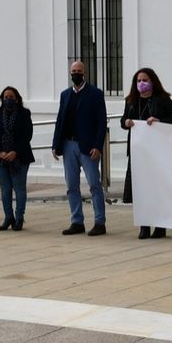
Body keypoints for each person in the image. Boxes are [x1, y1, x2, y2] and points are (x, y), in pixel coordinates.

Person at [122, 67, 172, 239]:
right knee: (141, 190)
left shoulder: (162, 99)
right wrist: (126, 122)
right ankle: (144, 225)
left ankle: (161, 226)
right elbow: (123, 120)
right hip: (137, 152)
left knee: (157, 190)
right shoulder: (131, 100)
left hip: (157, 152)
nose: (141, 83)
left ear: (152, 82)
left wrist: (159, 121)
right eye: (138, 80)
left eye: (145, 80)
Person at [52, 60, 109, 236]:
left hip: (88, 147)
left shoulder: (95, 94)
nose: (75, 74)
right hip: (68, 145)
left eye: (78, 71)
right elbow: (60, 120)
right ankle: (77, 221)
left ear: (84, 73)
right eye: (73, 71)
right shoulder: (65, 95)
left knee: (94, 185)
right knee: (71, 186)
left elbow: (101, 122)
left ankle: (100, 222)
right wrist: (56, 144)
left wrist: (98, 146)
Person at [0, 86, 35, 231]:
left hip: (19, 157)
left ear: (17, 99)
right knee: (5, 188)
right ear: (2, 99)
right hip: (1, 157)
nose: (8, 100)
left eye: (11, 97)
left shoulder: (24, 113)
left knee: (19, 188)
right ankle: (8, 216)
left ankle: (19, 217)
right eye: (6, 97)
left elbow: (27, 135)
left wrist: (15, 151)